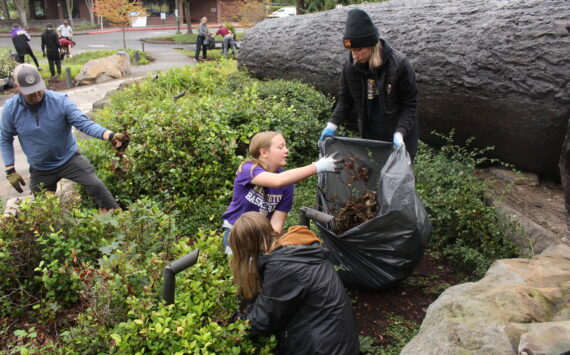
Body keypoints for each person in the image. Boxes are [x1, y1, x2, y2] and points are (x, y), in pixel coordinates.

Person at [228, 212, 360, 355]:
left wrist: (235, 322)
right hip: (339, 342)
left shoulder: (283, 266)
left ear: (248, 249)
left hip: (324, 349)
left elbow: (263, 321)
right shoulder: (294, 248)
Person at [0, 64, 127, 213]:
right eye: (30, 93)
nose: (36, 95)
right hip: (41, 168)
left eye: (38, 90)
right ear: (19, 88)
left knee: (96, 185)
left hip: (69, 159)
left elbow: (83, 123)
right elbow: (5, 138)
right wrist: (10, 169)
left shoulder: (59, 101)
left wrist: (110, 135)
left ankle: (119, 218)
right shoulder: (11, 109)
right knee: (44, 210)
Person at [320, 8, 419, 161]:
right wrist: (332, 124)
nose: (354, 55)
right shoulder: (351, 66)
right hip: (371, 139)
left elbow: (410, 105)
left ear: (372, 45)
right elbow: (346, 99)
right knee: (374, 181)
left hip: (399, 138)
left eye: (359, 49)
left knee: (396, 183)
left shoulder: (399, 65)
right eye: (351, 50)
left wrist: (400, 133)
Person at [221, 131, 342, 252]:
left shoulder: (287, 185)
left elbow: (276, 224)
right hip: (236, 233)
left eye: (285, 146)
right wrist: (317, 167)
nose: (286, 150)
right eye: (280, 147)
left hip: (261, 237)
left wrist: (269, 248)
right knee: (242, 266)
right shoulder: (248, 169)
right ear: (264, 153)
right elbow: (277, 181)